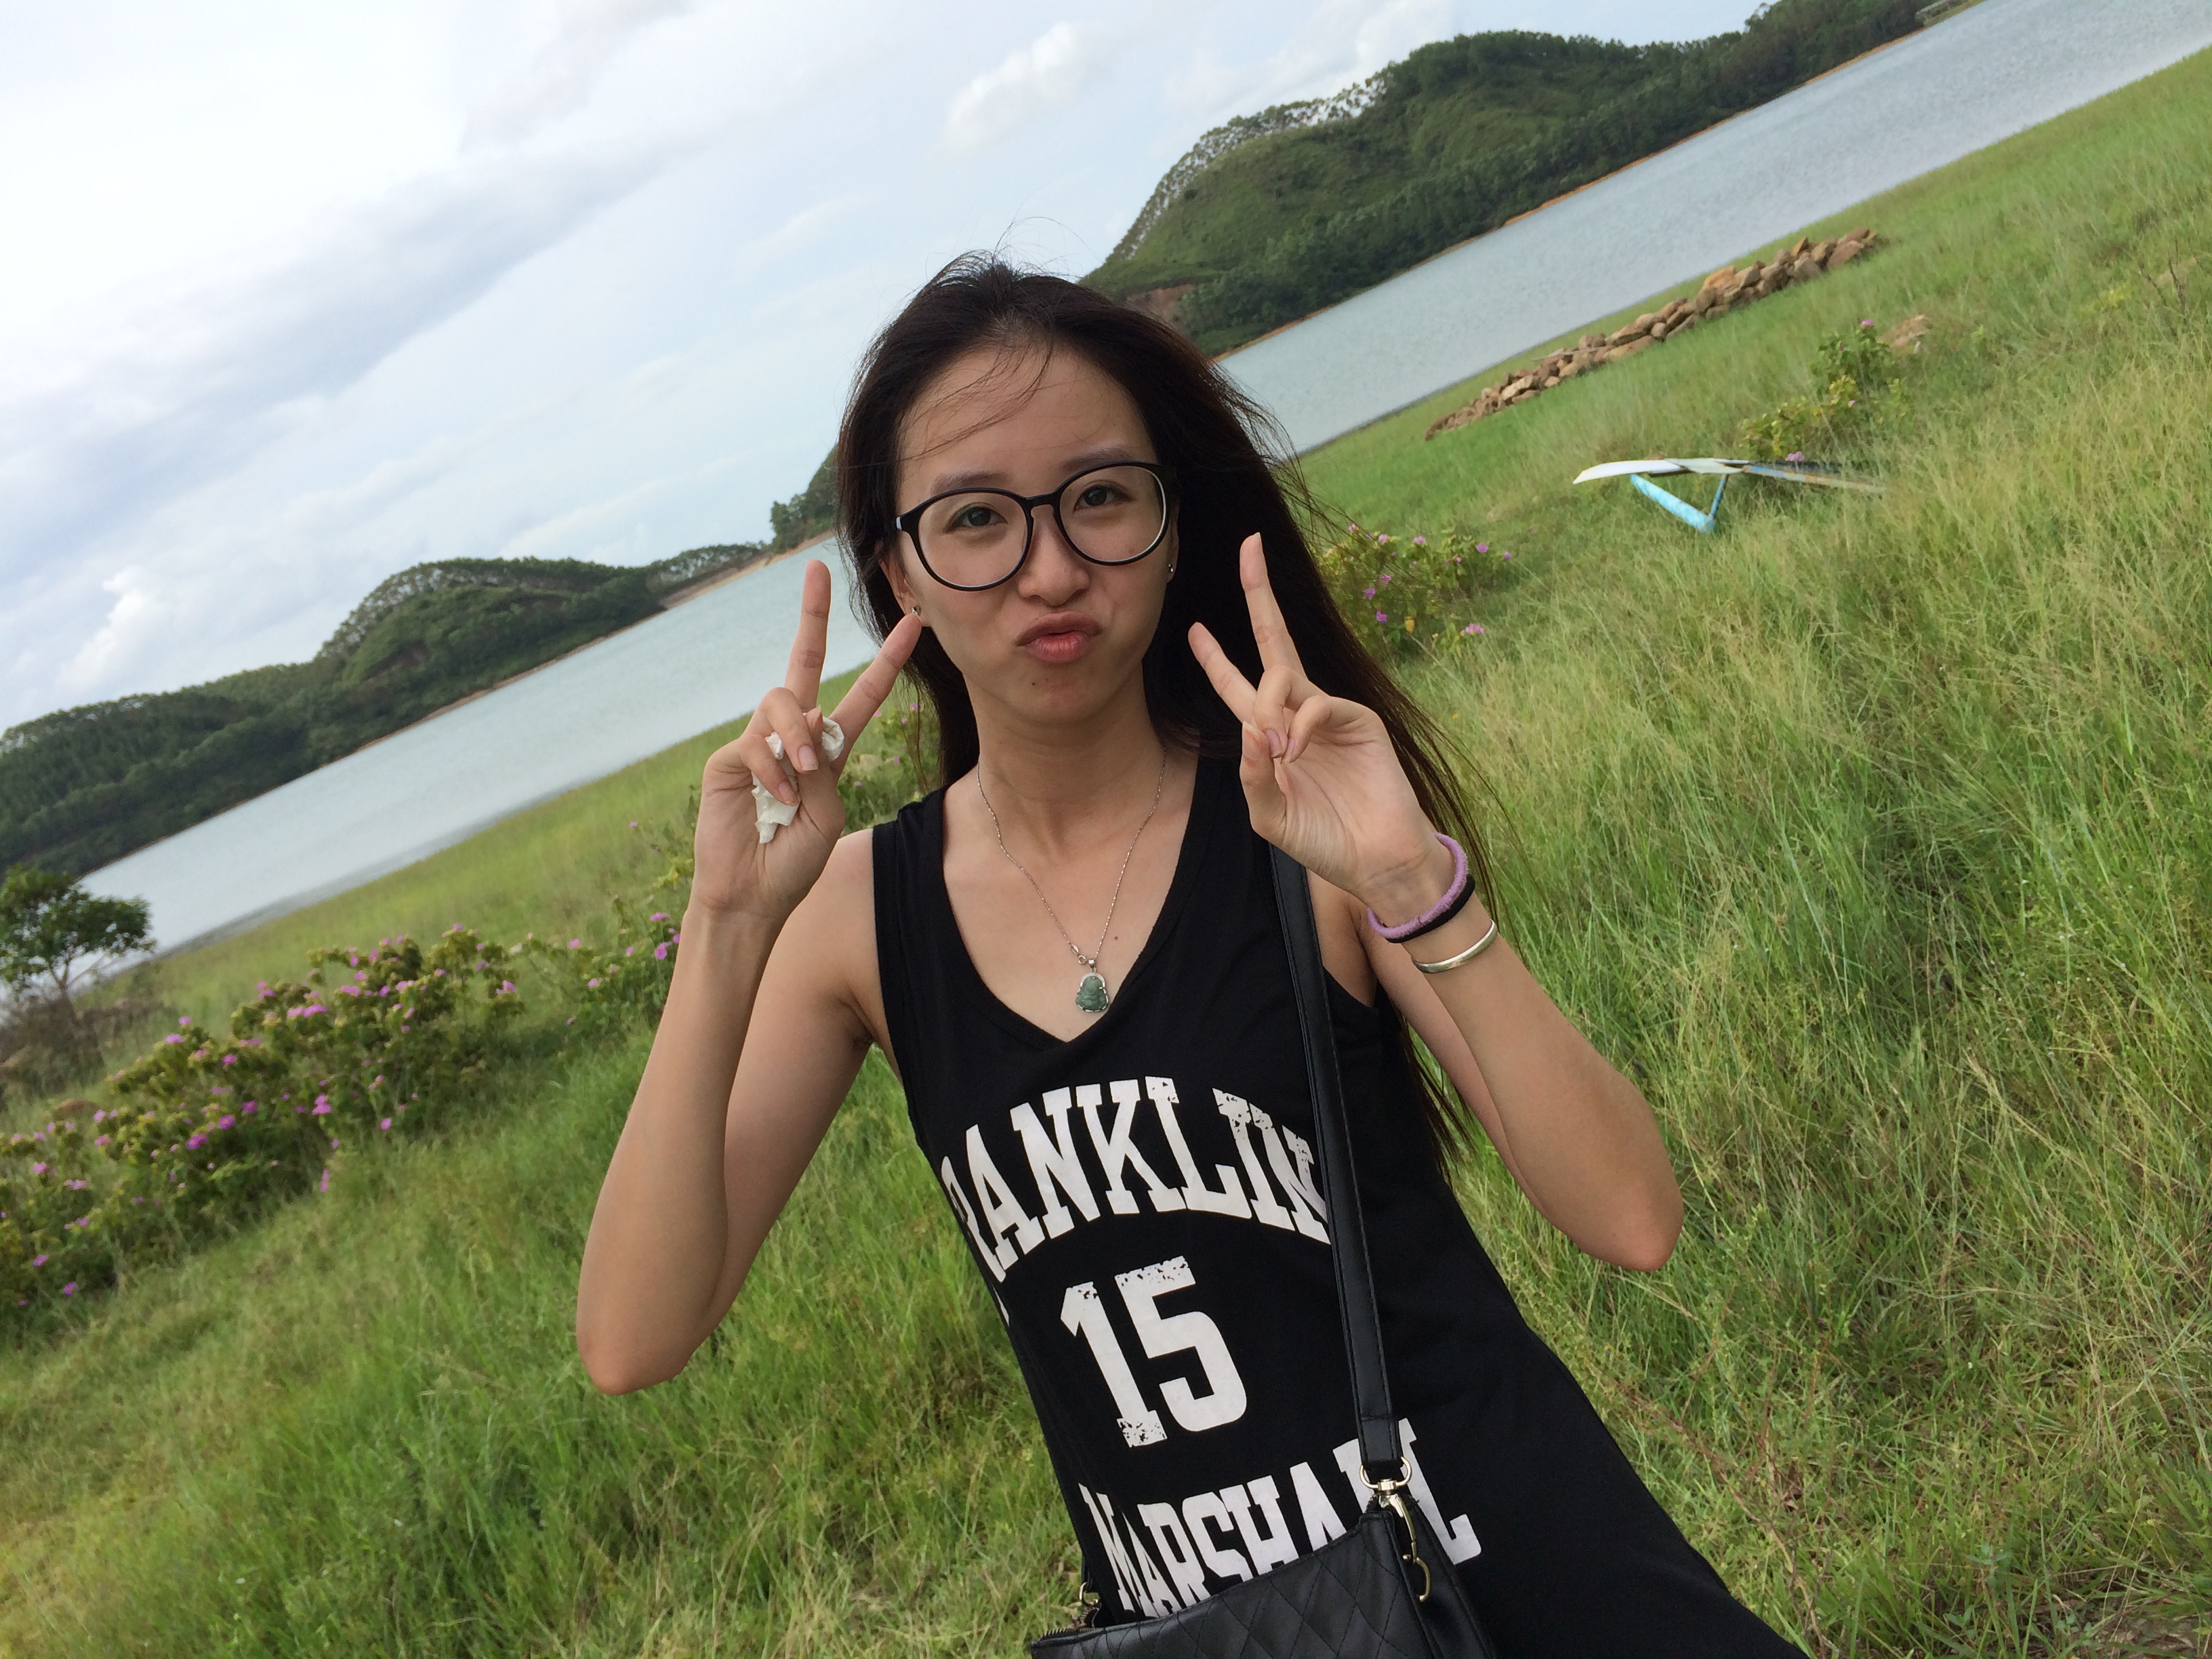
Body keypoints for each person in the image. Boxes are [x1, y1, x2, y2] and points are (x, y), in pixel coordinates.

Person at [575, 257, 1805, 1656]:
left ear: (1170, 528)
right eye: (976, 519)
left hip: (1521, 1580)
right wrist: (729, 929)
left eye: (1100, 498)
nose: (1050, 569)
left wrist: (1411, 881)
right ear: (896, 566)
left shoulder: (1302, 825)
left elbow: (1633, 1219)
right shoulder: (859, 916)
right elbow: (632, 1337)